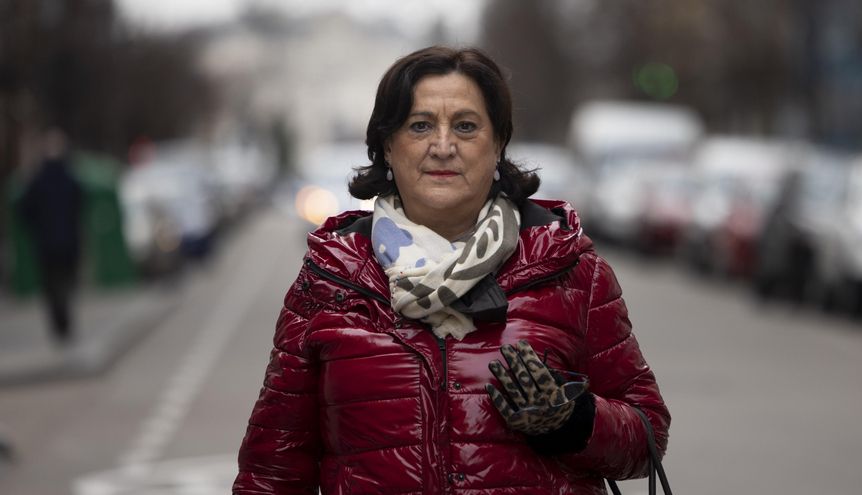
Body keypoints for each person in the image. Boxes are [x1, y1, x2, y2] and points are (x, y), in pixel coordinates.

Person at [233, 46, 669, 494]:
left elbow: (647, 433)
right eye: (420, 126)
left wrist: (574, 421)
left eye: (465, 126)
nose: (443, 147)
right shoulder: (330, 279)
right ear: (387, 144)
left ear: (498, 143)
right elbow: (272, 472)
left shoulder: (571, 269)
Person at [19, 128, 83, 345]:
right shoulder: (69, 177)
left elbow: (25, 209)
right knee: (65, 283)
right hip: (68, 243)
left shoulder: (37, 180)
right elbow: (80, 205)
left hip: (46, 243)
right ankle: (64, 322)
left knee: (52, 286)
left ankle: (59, 324)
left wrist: (36, 229)